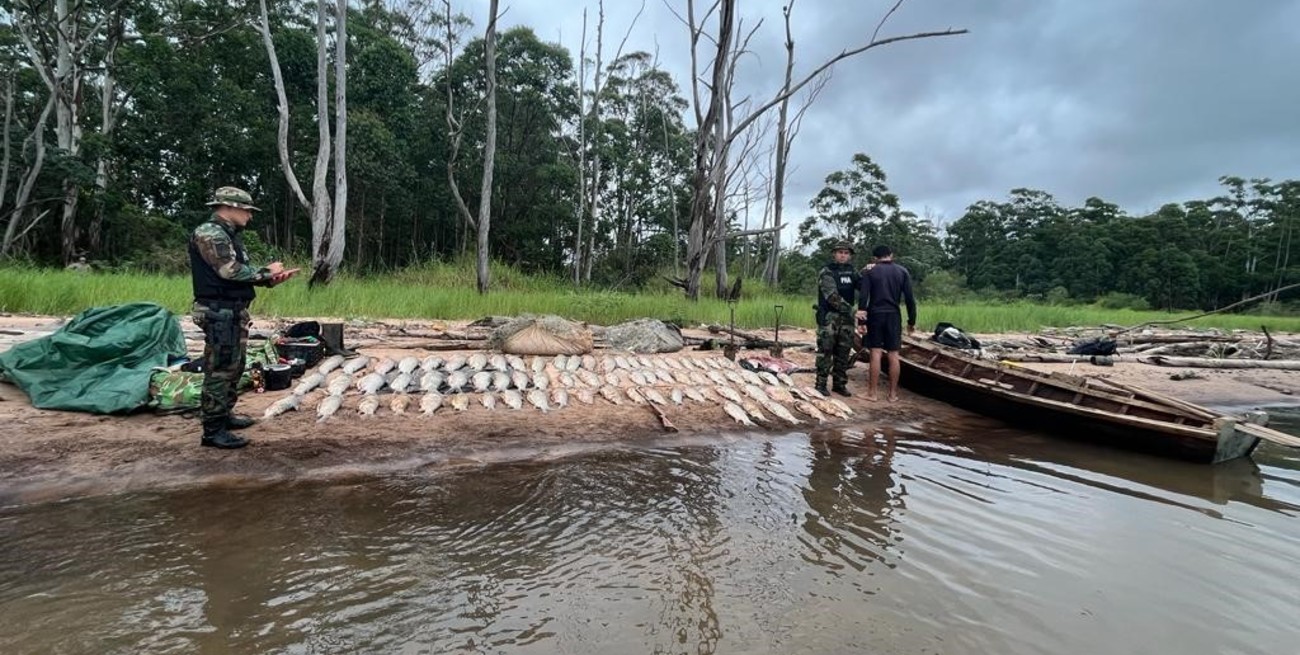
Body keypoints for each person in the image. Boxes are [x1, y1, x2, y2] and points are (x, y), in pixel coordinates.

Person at [190, 186, 298, 449]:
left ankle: (224, 416)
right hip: (218, 310)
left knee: (234, 366)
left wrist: (270, 279)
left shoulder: (228, 236)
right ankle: (213, 431)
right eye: (247, 211)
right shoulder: (210, 234)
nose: (250, 216)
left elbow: (240, 274)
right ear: (230, 207)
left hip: (232, 309)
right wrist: (266, 271)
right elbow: (228, 271)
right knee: (221, 369)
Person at [856, 245, 916, 402]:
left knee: (875, 353)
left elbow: (863, 297)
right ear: (891, 255)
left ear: (875, 258)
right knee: (893, 355)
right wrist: (911, 321)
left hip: (875, 314)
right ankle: (892, 394)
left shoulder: (870, 271)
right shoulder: (902, 271)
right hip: (894, 316)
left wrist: (861, 320)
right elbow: (910, 299)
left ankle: (872, 394)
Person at [814, 242, 861, 397]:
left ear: (850, 255)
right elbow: (832, 297)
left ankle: (839, 384)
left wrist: (871, 271)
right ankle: (820, 383)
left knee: (843, 351)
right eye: (840, 252)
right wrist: (854, 312)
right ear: (834, 254)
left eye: (846, 253)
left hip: (846, 321)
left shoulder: (852, 272)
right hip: (829, 318)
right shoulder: (826, 272)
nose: (843, 255)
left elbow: (863, 285)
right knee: (826, 351)